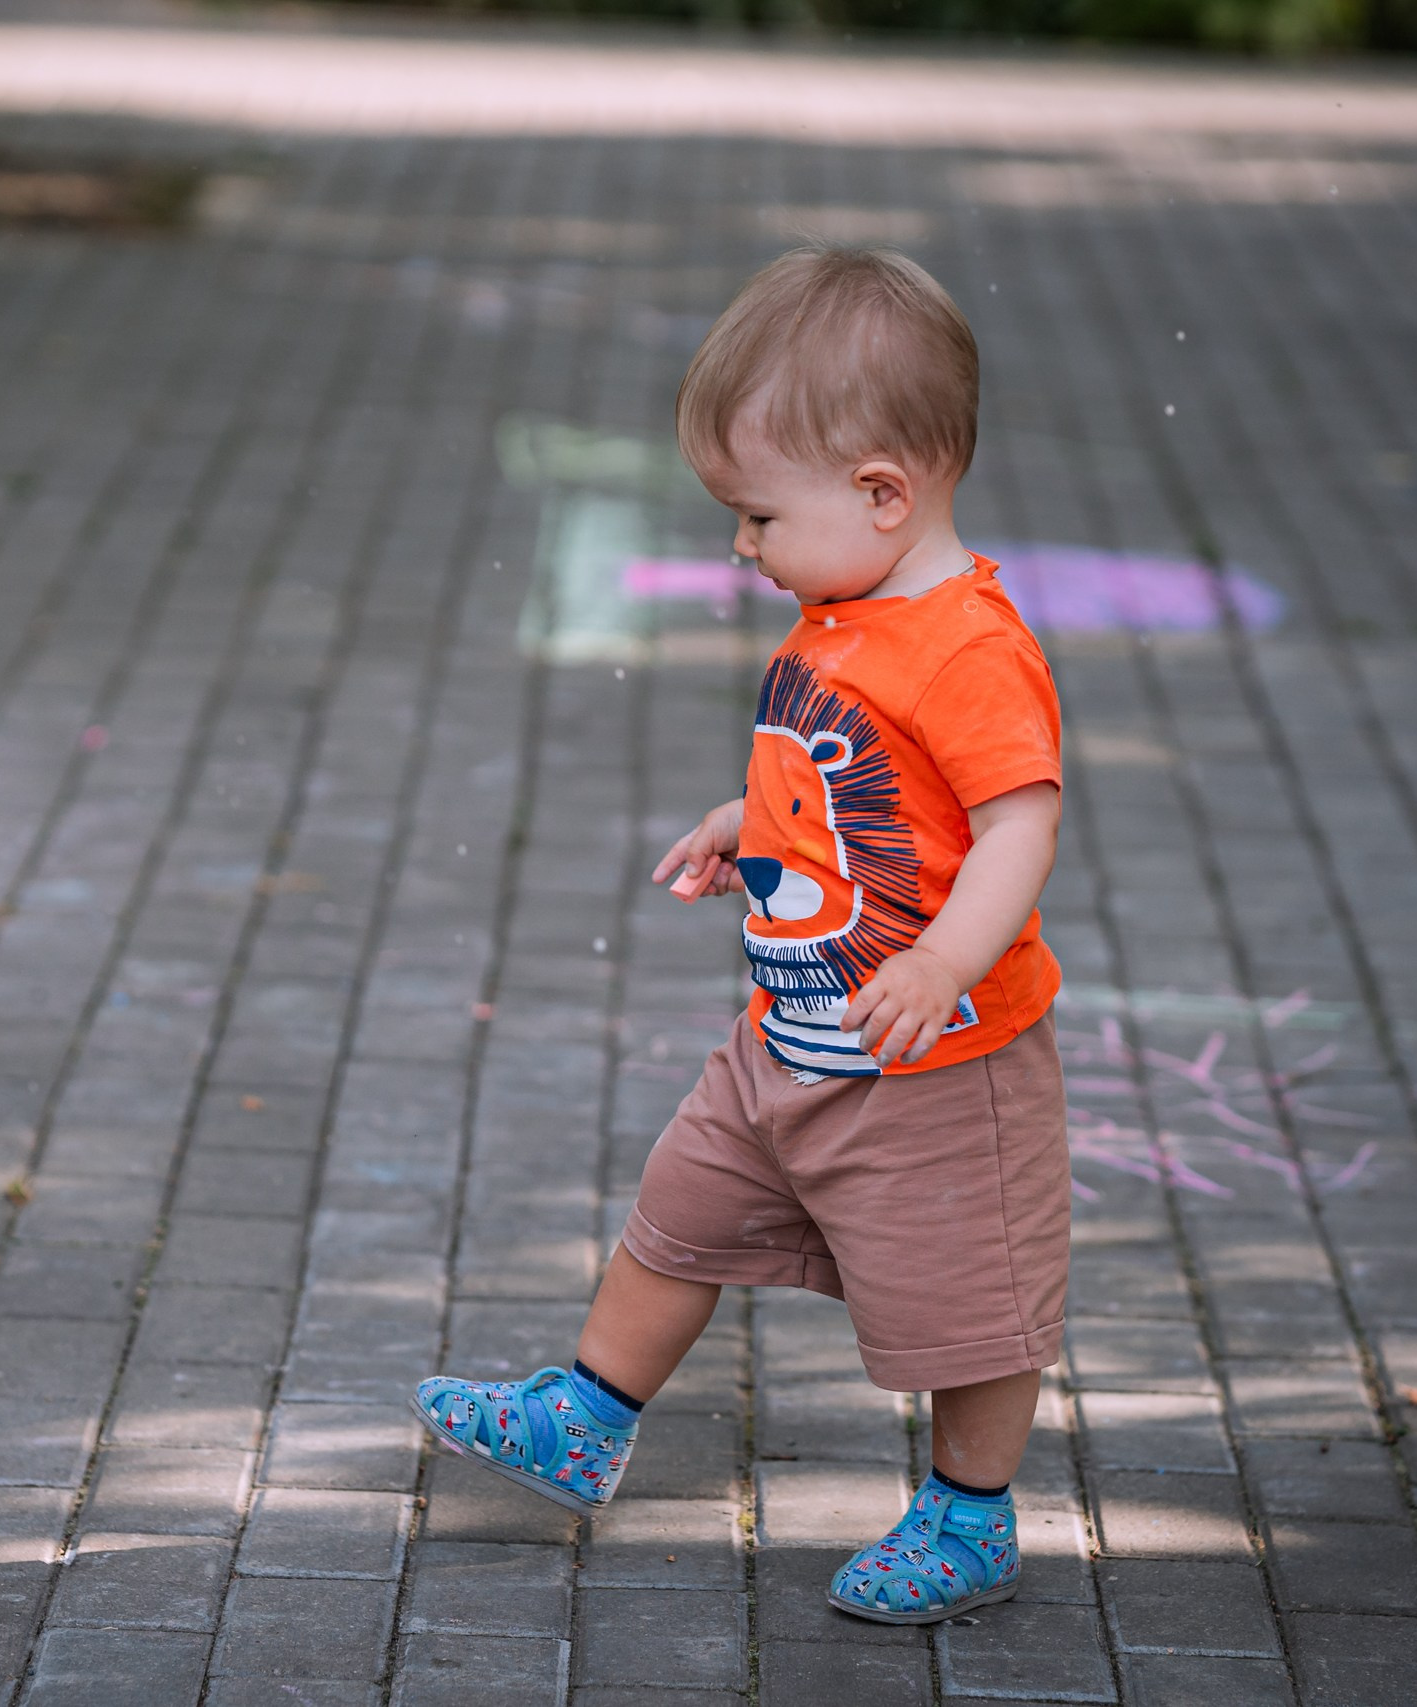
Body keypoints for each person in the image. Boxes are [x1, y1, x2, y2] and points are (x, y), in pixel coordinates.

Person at [413, 245, 1069, 1625]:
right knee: (677, 1216)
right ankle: (584, 1421)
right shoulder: (843, 617)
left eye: (757, 515)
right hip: (787, 1037)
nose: (740, 546)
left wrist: (947, 959)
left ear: (884, 494)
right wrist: (748, 820)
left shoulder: (966, 649)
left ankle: (971, 1516)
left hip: (933, 1063)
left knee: (970, 1303)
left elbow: (1018, 826)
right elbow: (844, 788)